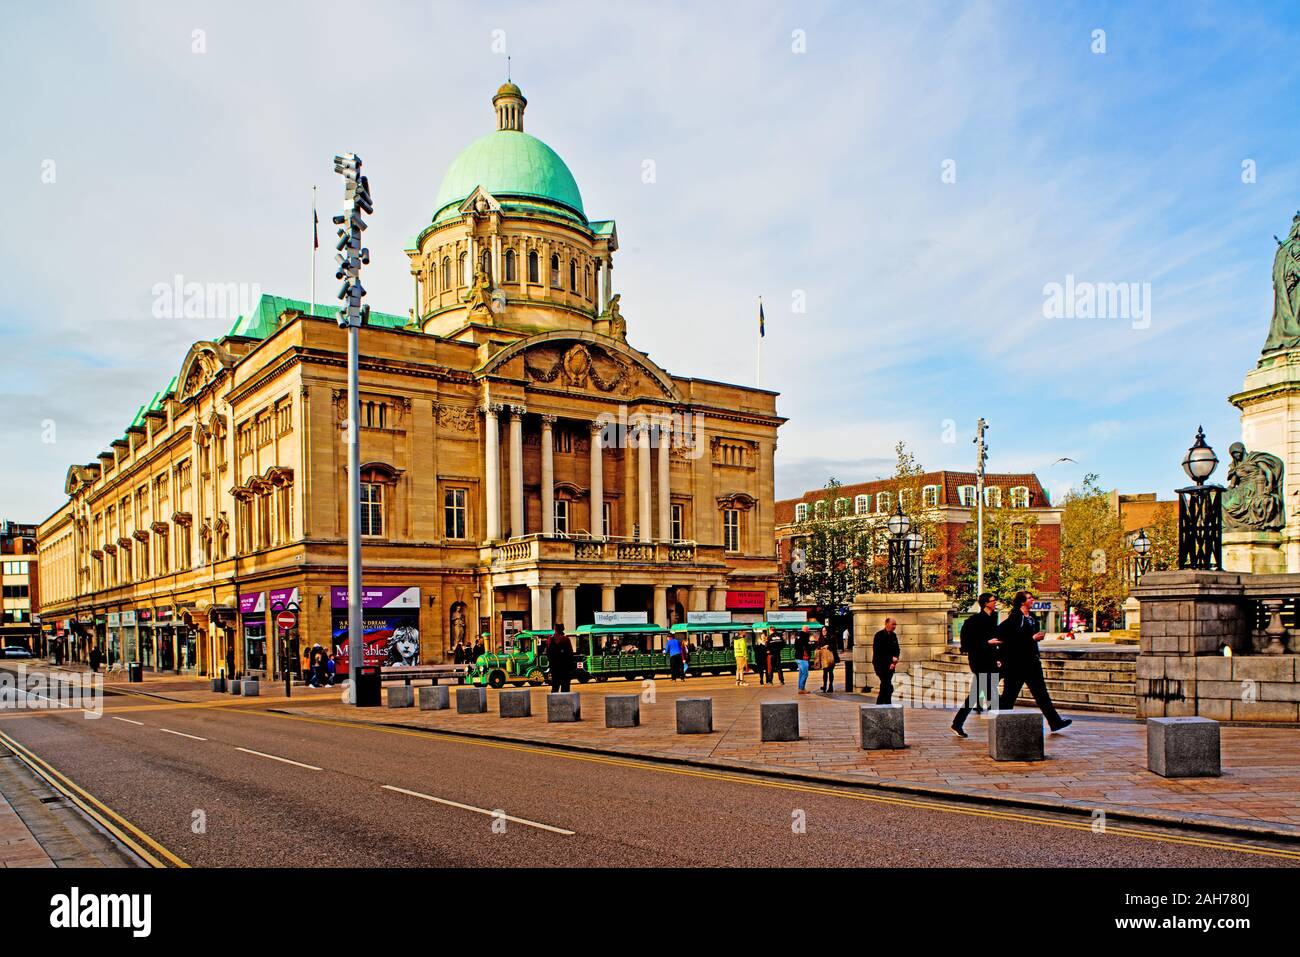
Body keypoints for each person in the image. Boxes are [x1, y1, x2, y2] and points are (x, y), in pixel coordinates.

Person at [996, 591, 1072, 732]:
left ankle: (1055, 722)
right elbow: (1006, 640)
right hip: (1016, 665)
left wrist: (1035, 640)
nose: (1032, 600)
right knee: (1009, 696)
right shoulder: (1013, 619)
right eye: (1029, 598)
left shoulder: (1032, 618)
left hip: (1032, 662)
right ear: (1022, 602)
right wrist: (1031, 639)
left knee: (1042, 694)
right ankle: (1000, 724)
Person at [951, 592, 1000, 737]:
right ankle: (1000, 726)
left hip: (990, 661)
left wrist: (997, 655)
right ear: (986, 603)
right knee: (991, 695)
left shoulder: (993, 618)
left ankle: (957, 723)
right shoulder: (974, 621)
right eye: (993, 600)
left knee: (979, 695)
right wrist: (987, 643)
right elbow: (967, 644)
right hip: (979, 661)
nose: (995, 602)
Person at [872, 618, 900, 705]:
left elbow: (897, 649)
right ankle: (887, 703)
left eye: (895, 625)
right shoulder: (879, 635)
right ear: (886, 624)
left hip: (890, 665)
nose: (894, 626)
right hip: (880, 665)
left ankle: (880, 704)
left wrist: (894, 662)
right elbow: (878, 651)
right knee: (887, 685)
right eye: (893, 624)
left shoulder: (894, 635)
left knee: (885, 685)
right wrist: (891, 658)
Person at [547, 624, 575, 693]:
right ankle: (564, 703)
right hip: (565, 668)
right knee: (565, 688)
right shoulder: (565, 639)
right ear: (563, 629)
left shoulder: (550, 639)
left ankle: (553, 703)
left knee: (555, 688)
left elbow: (548, 653)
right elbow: (570, 654)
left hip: (554, 668)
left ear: (555, 629)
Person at [793, 627, 812, 695]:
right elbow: (807, 646)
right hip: (803, 658)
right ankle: (801, 689)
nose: (809, 631)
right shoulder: (805, 636)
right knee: (805, 674)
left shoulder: (798, 636)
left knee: (801, 674)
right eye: (808, 630)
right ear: (806, 630)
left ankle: (801, 688)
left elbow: (796, 646)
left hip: (798, 657)